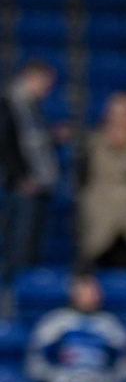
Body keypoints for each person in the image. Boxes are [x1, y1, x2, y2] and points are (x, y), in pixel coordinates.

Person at [27, 273, 126, 382]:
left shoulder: (111, 327)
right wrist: (53, 378)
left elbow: (125, 365)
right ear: (73, 294)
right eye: (84, 291)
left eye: (93, 292)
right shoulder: (55, 323)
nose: (89, 296)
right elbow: (35, 360)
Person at [74, 91, 126, 270]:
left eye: (124, 112)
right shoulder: (93, 141)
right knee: (95, 253)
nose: (119, 117)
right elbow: (83, 177)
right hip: (100, 207)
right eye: (114, 112)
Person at [0, 59, 60, 279]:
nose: (47, 91)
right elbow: (4, 142)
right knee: (20, 249)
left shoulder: (30, 106)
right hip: (22, 188)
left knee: (30, 249)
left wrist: (53, 137)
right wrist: (20, 178)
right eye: (45, 84)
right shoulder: (9, 103)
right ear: (32, 77)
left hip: (37, 186)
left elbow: (31, 142)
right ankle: (12, 294)